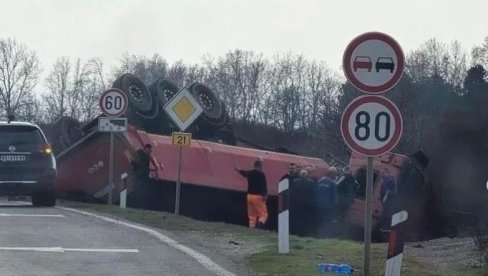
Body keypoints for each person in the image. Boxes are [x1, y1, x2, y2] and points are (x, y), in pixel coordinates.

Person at [236, 160, 268, 229]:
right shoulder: (261, 174)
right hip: (258, 196)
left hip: (249, 196)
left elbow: (244, 173)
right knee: (264, 215)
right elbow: (263, 185)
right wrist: (265, 195)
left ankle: (252, 227)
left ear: (254, 165)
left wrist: (239, 170)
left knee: (252, 215)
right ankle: (260, 222)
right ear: (260, 166)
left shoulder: (250, 173)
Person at [289, 169, 317, 237]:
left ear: (300, 175)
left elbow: (291, 193)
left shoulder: (295, 182)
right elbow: (313, 194)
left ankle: (295, 232)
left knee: (296, 219)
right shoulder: (311, 183)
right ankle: (304, 233)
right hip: (307, 205)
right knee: (305, 220)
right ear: (306, 175)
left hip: (296, 204)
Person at [315, 167, 338, 238]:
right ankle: (325, 236)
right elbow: (335, 197)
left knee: (319, 221)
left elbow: (315, 193)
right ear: (332, 174)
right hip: (328, 207)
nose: (335, 176)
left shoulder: (318, 182)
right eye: (335, 174)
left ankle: (318, 235)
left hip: (318, 206)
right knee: (327, 222)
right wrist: (335, 206)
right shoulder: (332, 184)